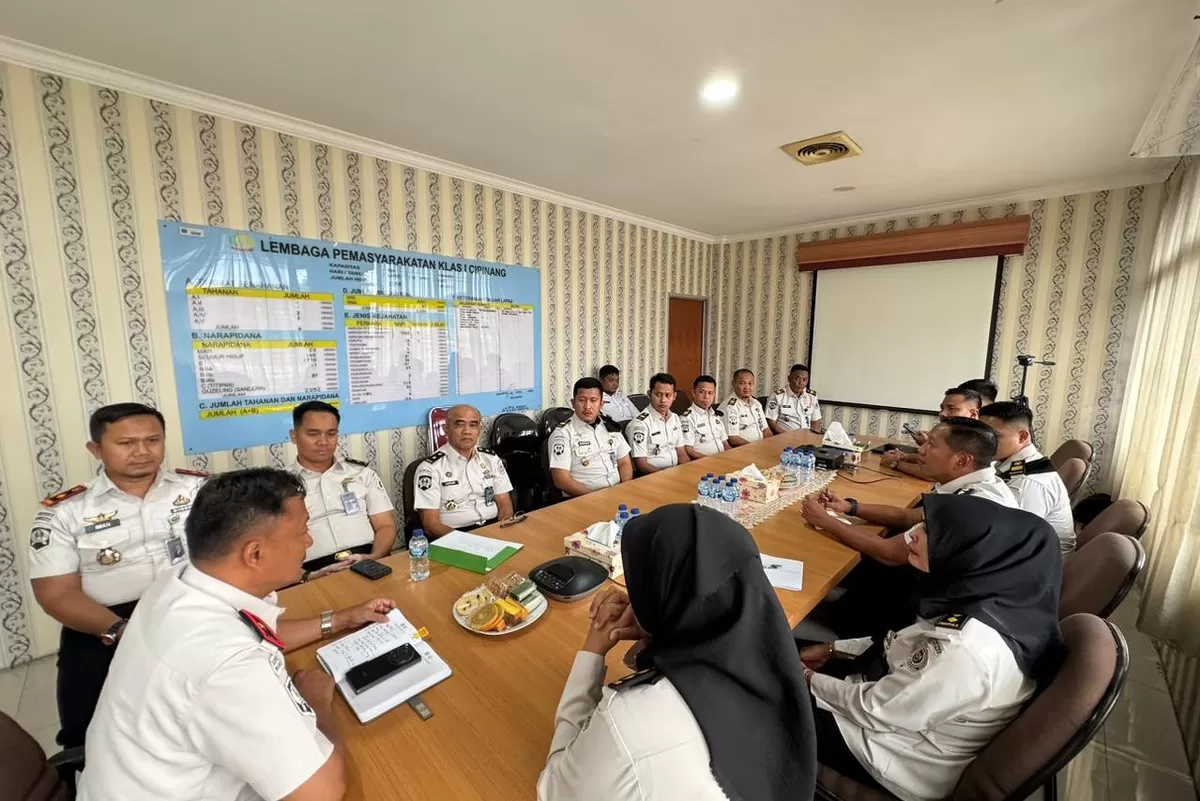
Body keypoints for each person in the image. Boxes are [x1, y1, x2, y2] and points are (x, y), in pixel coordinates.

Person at [78, 467, 396, 801]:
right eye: (302, 531)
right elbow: (321, 793)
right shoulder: (226, 665)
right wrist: (317, 703)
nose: (309, 540)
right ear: (254, 553)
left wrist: (341, 619)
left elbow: (254, 631)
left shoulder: (179, 583)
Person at [537, 504, 817, 801]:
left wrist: (593, 648)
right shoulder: (772, 657)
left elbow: (554, 788)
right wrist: (654, 633)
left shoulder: (632, 723)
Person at [802, 494, 1063, 801]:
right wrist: (834, 649)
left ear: (973, 553)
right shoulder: (993, 604)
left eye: (928, 531)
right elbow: (906, 648)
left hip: (890, 752)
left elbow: (876, 710)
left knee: (755, 686)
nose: (912, 535)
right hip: (898, 709)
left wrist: (806, 679)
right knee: (779, 652)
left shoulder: (969, 649)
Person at [28, 402, 207, 749]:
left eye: (153, 440)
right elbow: (56, 594)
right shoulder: (66, 512)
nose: (142, 451)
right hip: (104, 625)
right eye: (126, 443)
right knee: (88, 731)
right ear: (96, 449)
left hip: (192, 606)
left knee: (212, 705)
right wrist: (119, 631)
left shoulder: (198, 491)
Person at [803, 417, 1017, 568]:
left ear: (962, 460)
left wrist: (826, 521)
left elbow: (889, 554)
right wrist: (850, 507)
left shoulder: (969, 506)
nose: (920, 450)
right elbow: (910, 516)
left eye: (931, 445)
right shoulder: (978, 483)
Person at [288, 401, 396, 577]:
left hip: (367, 559)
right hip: (313, 569)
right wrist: (307, 575)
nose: (323, 442)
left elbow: (385, 525)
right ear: (294, 436)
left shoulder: (361, 473)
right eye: (313, 434)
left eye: (331, 433)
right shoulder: (280, 485)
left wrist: (374, 557)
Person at [980, 402, 1075, 554]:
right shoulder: (1010, 464)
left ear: (1022, 436)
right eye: (980, 435)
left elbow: (1014, 541)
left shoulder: (1029, 484)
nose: (982, 442)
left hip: (1045, 563)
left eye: (994, 436)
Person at [413, 404, 515, 537]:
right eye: (459, 425)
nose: (467, 431)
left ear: (479, 429)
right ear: (446, 429)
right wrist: (466, 542)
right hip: (454, 535)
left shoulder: (491, 459)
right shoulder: (430, 469)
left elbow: (504, 504)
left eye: (473, 425)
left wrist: (502, 531)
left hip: (494, 528)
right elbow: (431, 524)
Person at [548, 377, 634, 496]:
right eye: (582, 400)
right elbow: (561, 480)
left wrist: (624, 489)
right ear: (573, 403)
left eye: (593, 400)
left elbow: (624, 462)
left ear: (601, 404)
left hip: (618, 494)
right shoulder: (563, 434)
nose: (587, 406)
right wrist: (594, 498)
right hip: (582, 499)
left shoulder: (610, 426)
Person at [884, 387, 985, 476]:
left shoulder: (976, 438)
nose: (942, 413)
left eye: (951, 408)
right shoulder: (954, 431)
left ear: (973, 414)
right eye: (942, 408)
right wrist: (905, 457)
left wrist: (895, 464)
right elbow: (940, 460)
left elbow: (933, 474)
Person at [624, 373, 689, 474]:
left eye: (668, 395)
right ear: (649, 394)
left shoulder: (675, 418)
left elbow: (681, 453)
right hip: (654, 477)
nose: (663, 400)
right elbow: (642, 465)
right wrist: (667, 477)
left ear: (674, 396)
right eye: (658, 395)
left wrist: (689, 471)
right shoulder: (639, 424)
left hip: (676, 472)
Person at [680, 375, 730, 459]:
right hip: (702, 462)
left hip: (722, 459)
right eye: (701, 392)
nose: (706, 397)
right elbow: (689, 450)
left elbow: (725, 444)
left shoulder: (716, 415)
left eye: (710, 393)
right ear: (693, 392)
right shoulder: (687, 418)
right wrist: (711, 460)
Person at [766, 364, 824, 434]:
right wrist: (787, 436)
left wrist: (812, 437)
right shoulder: (777, 396)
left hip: (806, 438)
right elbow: (771, 422)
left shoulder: (812, 396)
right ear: (789, 378)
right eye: (797, 378)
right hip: (785, 437)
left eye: (804, 379)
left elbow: (815, 421)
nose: (801, 383)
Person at [721, 369, 771, 445]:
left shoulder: (756, 403)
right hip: (743, 449)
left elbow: (766, 429)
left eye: (750, 383)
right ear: (733, 384)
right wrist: (754, 448)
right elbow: (733, 438)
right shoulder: (730, 407)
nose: (747, 387)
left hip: (761, 447)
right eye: (742, 383)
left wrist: (771, 444)